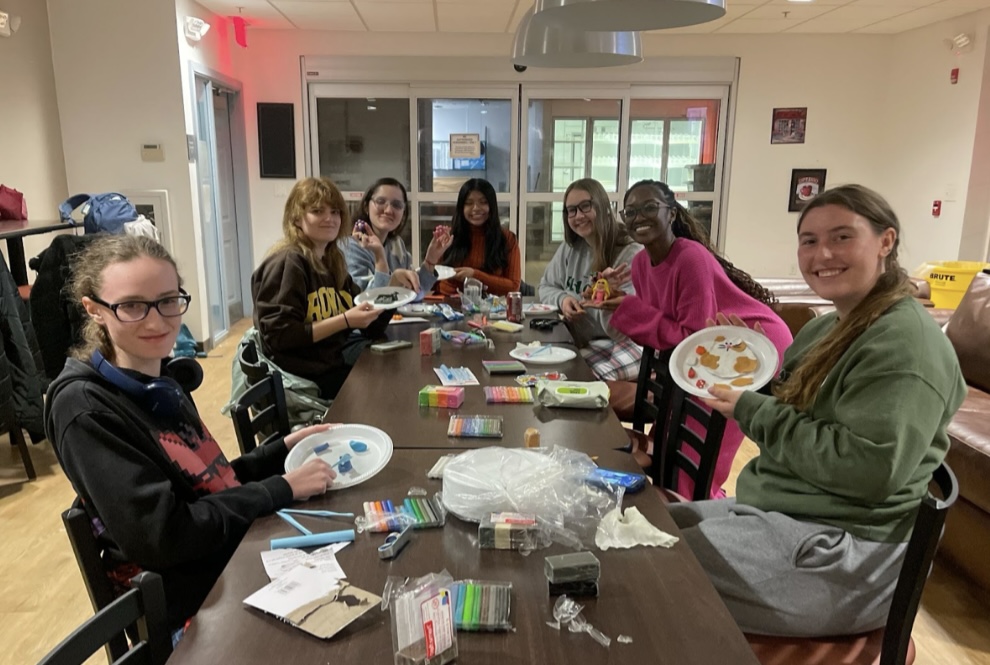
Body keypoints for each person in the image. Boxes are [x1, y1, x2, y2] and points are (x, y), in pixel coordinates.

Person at [669, 184, 966, 637]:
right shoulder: (831, 324)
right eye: (809, 240)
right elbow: (798, 404)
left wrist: (753, 408)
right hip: (787, 514)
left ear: (886, 241)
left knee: (645, 567)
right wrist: (743, 366)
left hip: (845, 552)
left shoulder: (906, 345)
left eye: (842, 237)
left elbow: (867, 469)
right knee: (641, 527)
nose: (822, 253)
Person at [44, 235, 338, 635]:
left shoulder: (159, 379)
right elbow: (167, 534)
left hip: (224, 562)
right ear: (94, 310)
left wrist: (278, 452)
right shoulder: (85, 411)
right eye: (132, 305)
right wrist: (279, 488)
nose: (157, 321)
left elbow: (202, 483)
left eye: (168, 301)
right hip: (190, 609)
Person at [595, 179, 792, 498]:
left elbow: (690, 336)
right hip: (706, 352)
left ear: (671, 213)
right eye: (630, 211)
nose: (638, 217)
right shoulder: (641, 262)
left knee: (697, 454)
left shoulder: (691, 258)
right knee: (670, 440)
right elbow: (663, 331)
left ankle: (699, 511)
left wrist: (628, 308)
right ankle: (677, 503)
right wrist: (619, 299)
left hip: (749, 344)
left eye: (649, 208)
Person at [253, 177, 391, 400]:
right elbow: (280, 335)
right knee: (381, 392)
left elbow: (370, 326)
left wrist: (394, 290)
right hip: (303, 382)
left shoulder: (332, 262)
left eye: (335, 211)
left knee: (390, 374)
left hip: (330, 368)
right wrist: (345, 320)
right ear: (297, 218)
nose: (330, 218)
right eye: (317, 211)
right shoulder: (289, 262)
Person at [538, 178, 643, 381]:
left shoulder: (631, 254)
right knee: (547, 371)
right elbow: (546, 286)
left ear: (603, 207)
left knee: (579, 377)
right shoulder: (571, 247)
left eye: (585, 206)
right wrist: (563, 300)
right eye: (571, 210)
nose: (578, 216)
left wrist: (604, 300)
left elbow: (623, 330)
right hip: (585, 341)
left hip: (625, 343)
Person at [341, 177, 452, 294]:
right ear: (366, 206)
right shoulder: (352, 246)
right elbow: (365, 301)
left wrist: (430, 260)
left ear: (403, 213)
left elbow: (414, 292)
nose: (388, 210)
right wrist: (380, 258)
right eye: (380, 201)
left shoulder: (396, 243)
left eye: (397, 205)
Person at [434, 178, 521, 297]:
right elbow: (433, 281)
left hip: (493, 310)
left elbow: (513, 287)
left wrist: (475, 275)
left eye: (483, 202)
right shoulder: (449, 238)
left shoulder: (507, 239)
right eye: (469, 203)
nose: (475, 208)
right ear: (461, 207)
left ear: (492, 206)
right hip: (450, 309)